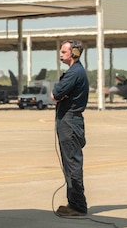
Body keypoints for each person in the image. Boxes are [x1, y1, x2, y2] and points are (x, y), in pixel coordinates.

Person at [51, 39, 89, 217]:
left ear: (74, 53)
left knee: (72, 164)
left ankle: (78, 206)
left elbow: (55, 94)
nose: (60, 54)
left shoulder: (74, 73)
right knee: (69, 164)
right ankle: (73, 203)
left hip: (70, 122)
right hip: (69, 121)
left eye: (64, 51)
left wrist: (59, 94)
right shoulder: (75, 71)